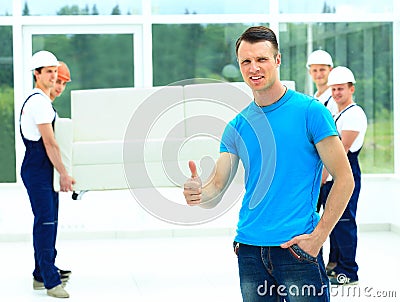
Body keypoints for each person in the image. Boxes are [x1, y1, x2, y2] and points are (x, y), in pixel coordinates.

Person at [183, 26, 355, 301]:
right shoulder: (236, 126)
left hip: (297, 249)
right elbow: (215, 188)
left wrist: (319, 236)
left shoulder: (311, 112)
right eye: (246, 61)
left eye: (262, 59)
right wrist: (198, 193)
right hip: (250, 249)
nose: (254, 68)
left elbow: (345, 179)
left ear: (277, 60)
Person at [20, 50, 75, 298]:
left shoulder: (42, 101)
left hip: (43, 168)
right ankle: (51, 282)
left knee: (47, 222)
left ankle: (41, 274)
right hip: (38, 168)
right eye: (49, 72)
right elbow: (50, 144)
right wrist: (64, 173)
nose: (54, 77)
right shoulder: (38, 103)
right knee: (46, 223)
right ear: (37, 74)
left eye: (55, 71)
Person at [320, 66, 367, 285]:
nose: (337, 93)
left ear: (351, 89)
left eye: (341, 89)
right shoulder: (338, 113)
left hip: (345, 173)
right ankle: (336, 265)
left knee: (345, 222)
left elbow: (341, 152)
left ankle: (349, 271)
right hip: (335, 174)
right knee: (335, 222)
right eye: (334, 89)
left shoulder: (354, 114)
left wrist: (321, 178)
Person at [306, 50, 338, 116]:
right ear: (310, 72)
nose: (318, 74)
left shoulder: (336, 98)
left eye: (322, 70)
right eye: (314, 70)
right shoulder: (313, 98)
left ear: (330, 70)